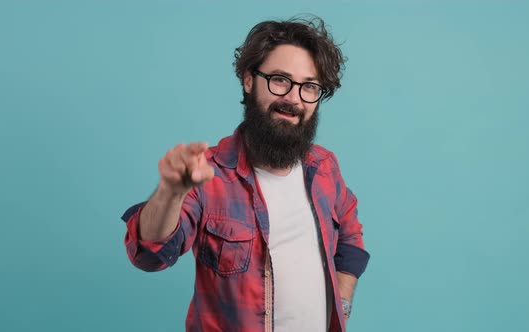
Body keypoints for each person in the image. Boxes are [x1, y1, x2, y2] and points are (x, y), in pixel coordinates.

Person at [121, 15, 370, 332]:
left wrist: (342, 303)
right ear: (249, 80)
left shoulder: (323, 166)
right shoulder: (208, 176)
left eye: (309, 87)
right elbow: (148, 254)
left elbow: (350, 236)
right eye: (280, 80)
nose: (293, 98)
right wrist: (171, 191)